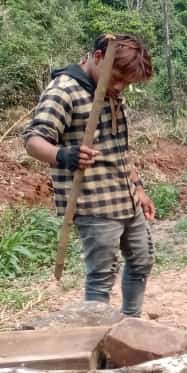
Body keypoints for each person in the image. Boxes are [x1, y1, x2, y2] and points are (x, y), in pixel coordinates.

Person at [23, 34, 156, 316]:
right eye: (117, 77)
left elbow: (119, 149)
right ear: (98, 58)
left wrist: (140, 189)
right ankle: (96, 338)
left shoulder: (111, 94)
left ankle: (131, 325)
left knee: (142, 260)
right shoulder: (64, 91)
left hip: (126, 198)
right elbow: (34, 140)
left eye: (127, 83)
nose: (120, 87)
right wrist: (65, 155)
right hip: (94, 204)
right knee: (102, 276)